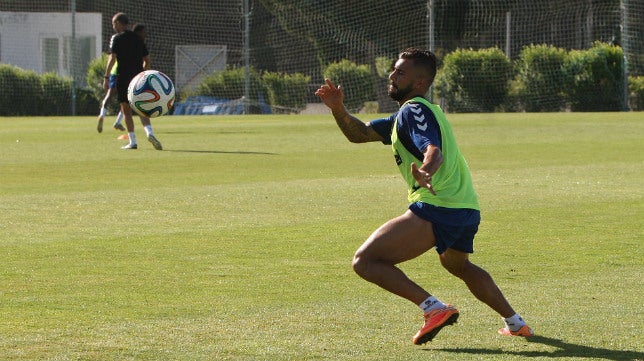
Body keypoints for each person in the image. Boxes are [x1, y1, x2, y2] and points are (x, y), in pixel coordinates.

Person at [315, 47, 533, 345]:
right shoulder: (410, 114)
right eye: (394, 69)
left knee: (365, 261)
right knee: (458, 266)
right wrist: (338, 109)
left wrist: (426, 171)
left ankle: (434, 308)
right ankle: (516, 323)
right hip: (465, 208)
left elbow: (433, 150)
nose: (392, 75)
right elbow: (360, 133)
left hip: (438, 206)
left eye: (400, 72)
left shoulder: (413, 110)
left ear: (419, 83)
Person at [103, 13, 162, 150]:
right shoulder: (138, 38)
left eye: (113, 23)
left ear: (118, 23)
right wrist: (142, 73)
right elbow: (147, 60)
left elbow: (112, 58)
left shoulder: (117, 38)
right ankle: (149, 133)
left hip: (123, 77)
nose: (113, 27)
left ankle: (133, 141)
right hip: (137, 78)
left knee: (126, 110)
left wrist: (106, 76)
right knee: (141, 107)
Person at [96, 42, 125, 133]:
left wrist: (106, 77)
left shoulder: (116, 46)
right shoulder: (131, 46)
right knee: (126, 101)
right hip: (124, 73)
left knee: (109, 95)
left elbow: (111, 57)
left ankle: (101, 115)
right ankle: (118, 122)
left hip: (114, 72)